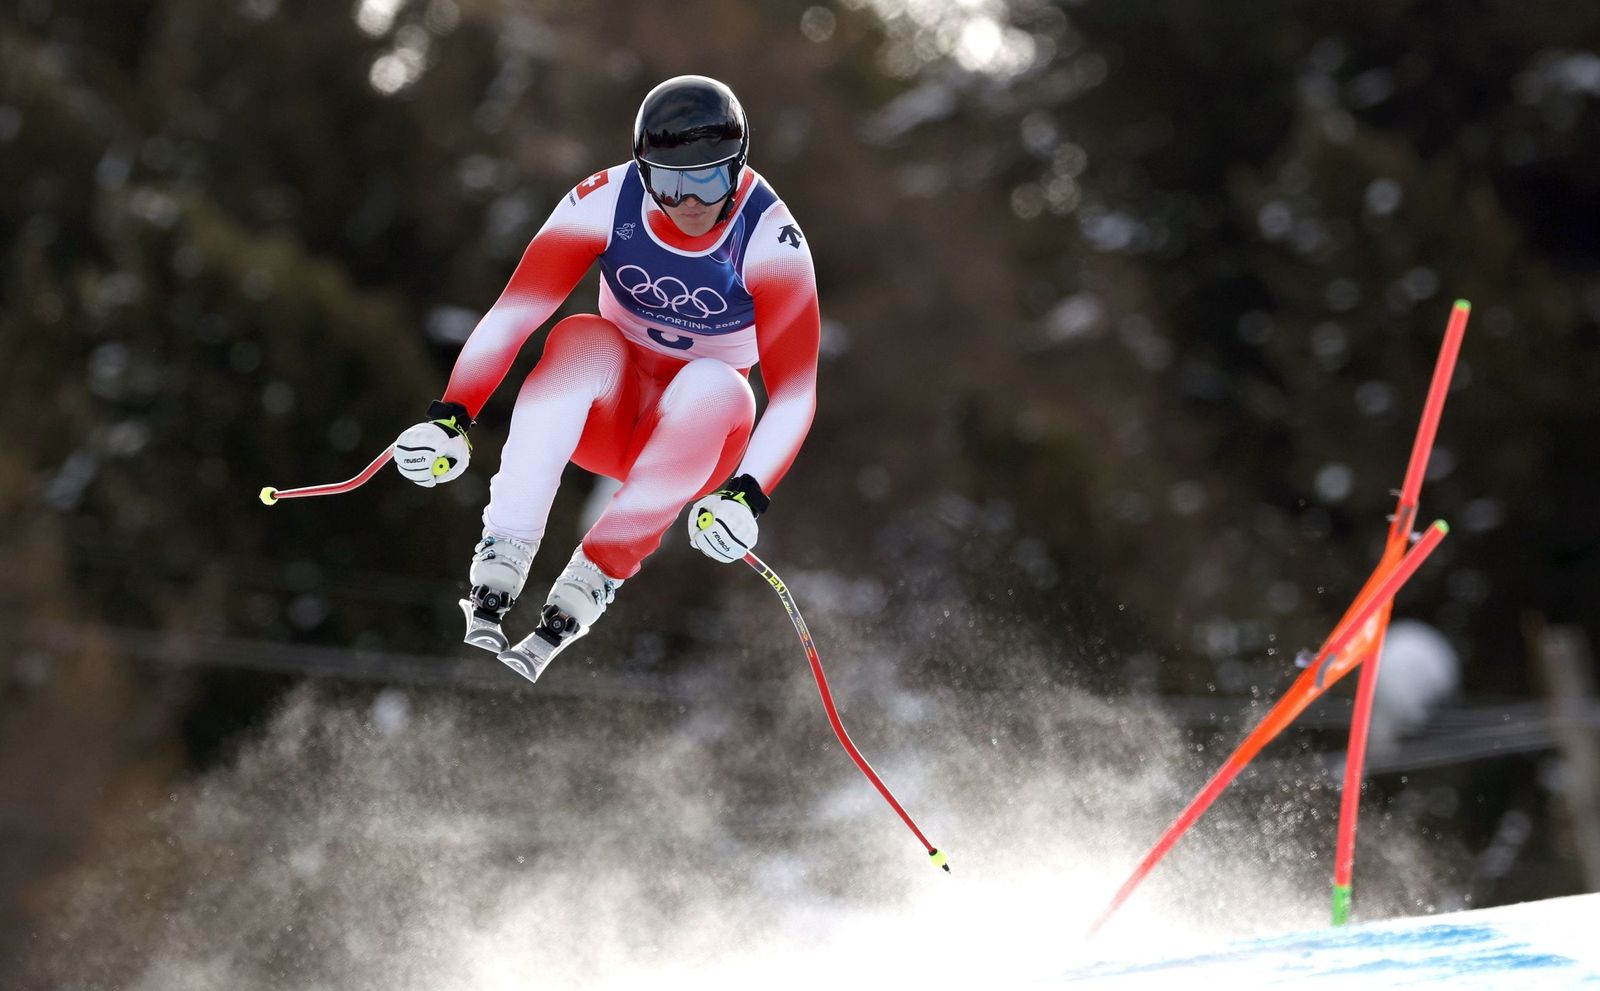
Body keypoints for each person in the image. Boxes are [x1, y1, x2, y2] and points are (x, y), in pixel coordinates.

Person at [391, 75, 820, 679]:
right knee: (580, 336)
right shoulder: (604, 200)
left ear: (740, 168)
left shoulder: (771, 241)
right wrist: (452, 416)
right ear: (642, 172)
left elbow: (796, 395)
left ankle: (597, 574)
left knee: (719, 386)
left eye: (710, 178)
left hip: (694, 441)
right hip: (606, 415)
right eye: (670, 184)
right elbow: (516, 313)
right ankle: (505, 546)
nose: (690, 202)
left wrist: (748, 494)